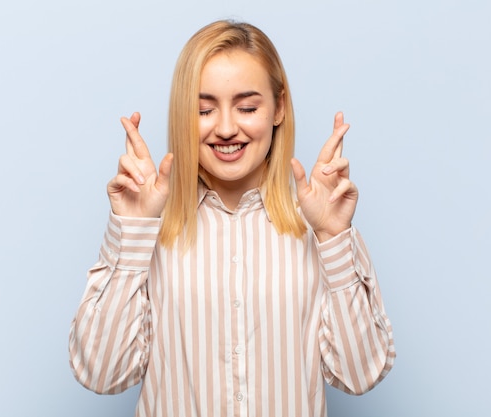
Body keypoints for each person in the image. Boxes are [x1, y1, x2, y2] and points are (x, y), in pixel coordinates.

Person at [69, 20, 395, 417]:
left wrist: (332, 237)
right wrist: (134, 231)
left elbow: (360, 376)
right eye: (204, 109)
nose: (225, 128)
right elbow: (101, 374)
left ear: (279, 108)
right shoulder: (145, 225)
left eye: (247, 107)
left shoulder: (321, 227)